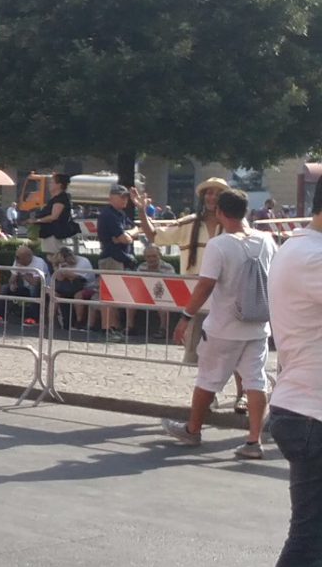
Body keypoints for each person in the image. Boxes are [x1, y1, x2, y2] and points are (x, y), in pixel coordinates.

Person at [259, 185, 322, 567]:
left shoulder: (300, 248)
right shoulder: (311, 257)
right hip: (311, 415)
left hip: (307, 409)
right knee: (309, 541)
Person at [164, 189, 274, 457]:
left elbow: (205, 286)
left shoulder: (219, 245)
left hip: (224, 325)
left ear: (220, 212)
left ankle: (192, 430)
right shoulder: (267, 240)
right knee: (255, 381)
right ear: (246, 211)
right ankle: (253, 440)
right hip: (258, 325)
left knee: (208, 379)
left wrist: (185, 317)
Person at [138, 178, 248, 407]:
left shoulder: (236, 224)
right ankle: (209, 397)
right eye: (208, 193)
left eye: (216, 193)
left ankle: (243, 395)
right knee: (203, 351)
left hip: (230, 296)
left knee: (237, 347)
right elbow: (155, 235)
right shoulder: (188, 223)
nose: (211, 197)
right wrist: (141, 211)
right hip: (198, 296)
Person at [93, 184, 139, 340]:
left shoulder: (120, 214)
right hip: (111, 258)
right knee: (109, 295)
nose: (125, 200)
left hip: (119, 258)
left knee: (116, 295)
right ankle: (107, 329)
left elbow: (135, 231)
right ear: (111, 197)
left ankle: (113, 328)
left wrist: (126, 235)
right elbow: (125, 238)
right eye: (121, 197)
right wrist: (125, 236)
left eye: (126, 197)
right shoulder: (108, 215)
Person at [0, 244, 49, 325]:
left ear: (28, 257)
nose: (17, 260)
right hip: (25, 288)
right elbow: (11, 279)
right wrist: (13, 283)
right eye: (17, 257)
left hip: (41, 289)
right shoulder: (17, 261)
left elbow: (35, 282)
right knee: (5, 288)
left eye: (19, 258)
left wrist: (22, 272)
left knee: (34, 288)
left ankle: (34, 318)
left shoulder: (39, 262)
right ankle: (0, 315)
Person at [31, 173, 81, 256]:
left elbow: (54, 216)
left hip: (54, 234)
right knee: (49, 255)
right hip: (48, 234)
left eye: (52, 182)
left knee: (54, 256)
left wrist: (37, 220)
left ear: (59, 185)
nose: (49, 185)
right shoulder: (55, 199)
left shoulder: (60, 199)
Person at [50, 245, 97, 329]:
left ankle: (79, 322)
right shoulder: (61, 265)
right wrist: (60, 270)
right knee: (54, 294)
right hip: (68, 287)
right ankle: (51, 321)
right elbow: (59, 278)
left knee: (78, 295)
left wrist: (64, 271)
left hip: (87, 287)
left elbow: (76, 279)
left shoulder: (83, 262)